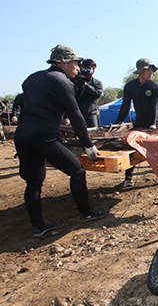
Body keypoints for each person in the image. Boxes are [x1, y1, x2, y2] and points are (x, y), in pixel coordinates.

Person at [14, 45, 109, 237]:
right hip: (45, 136)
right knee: (77, 170)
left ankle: (38, 227)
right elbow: (75, 116)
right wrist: (88, 145)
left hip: (23, 134)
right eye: (75, 63)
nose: (77, 68)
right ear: (64, 63)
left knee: (34, 182)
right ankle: (86, 213)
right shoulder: (63, 82)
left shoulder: (31, 79)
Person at [115, 58, 158, 187]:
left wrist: (153, 126)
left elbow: (155, 107)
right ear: (141, 71)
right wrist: (118, 122)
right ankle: (128, 179)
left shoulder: (155, 87)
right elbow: (125, 106)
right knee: (131, 147)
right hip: (139, 122)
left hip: (154, 122)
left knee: (157, 151)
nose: (151, 72)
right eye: (148, 69)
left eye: (152, 69)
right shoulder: (130, 86)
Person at [74, 59, 103, 128]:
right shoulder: (76, 81)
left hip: (91, 114)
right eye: (89, 67)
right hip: (78, 114)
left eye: (93, 68)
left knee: (94, 134)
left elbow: (97, 94)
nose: (91, 70)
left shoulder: (97, 83)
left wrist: (85, 85)